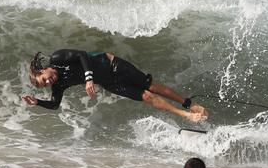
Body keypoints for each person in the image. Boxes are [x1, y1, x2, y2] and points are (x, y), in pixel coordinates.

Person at [21, 49, 208, 122]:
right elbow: (55, 105)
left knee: (150, 85)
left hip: (112, 65)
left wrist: (88, 78)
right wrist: (37, 102)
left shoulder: (57, 58)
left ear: (42, 70)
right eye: (44, 84)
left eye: (44, 78)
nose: (48, 82)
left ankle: (188, 103)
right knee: (145, 96)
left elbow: (82, 56)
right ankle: (185, 115)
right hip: (108, 82)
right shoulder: (58, 85)